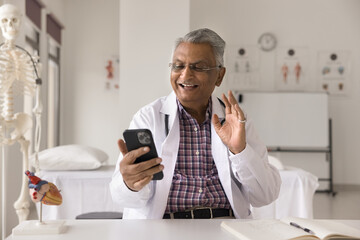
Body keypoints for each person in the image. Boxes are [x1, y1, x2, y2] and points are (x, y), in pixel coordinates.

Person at [110, 28, 281, 219]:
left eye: (198, 67)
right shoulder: (149, 117)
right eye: (178, 66)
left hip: (225, 224)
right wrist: (129, 184)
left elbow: (265, 195)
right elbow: (122, 198)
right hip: (167, 225)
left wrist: (239, 152)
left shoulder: (235, 119)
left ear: (219, 76)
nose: (185, 75)